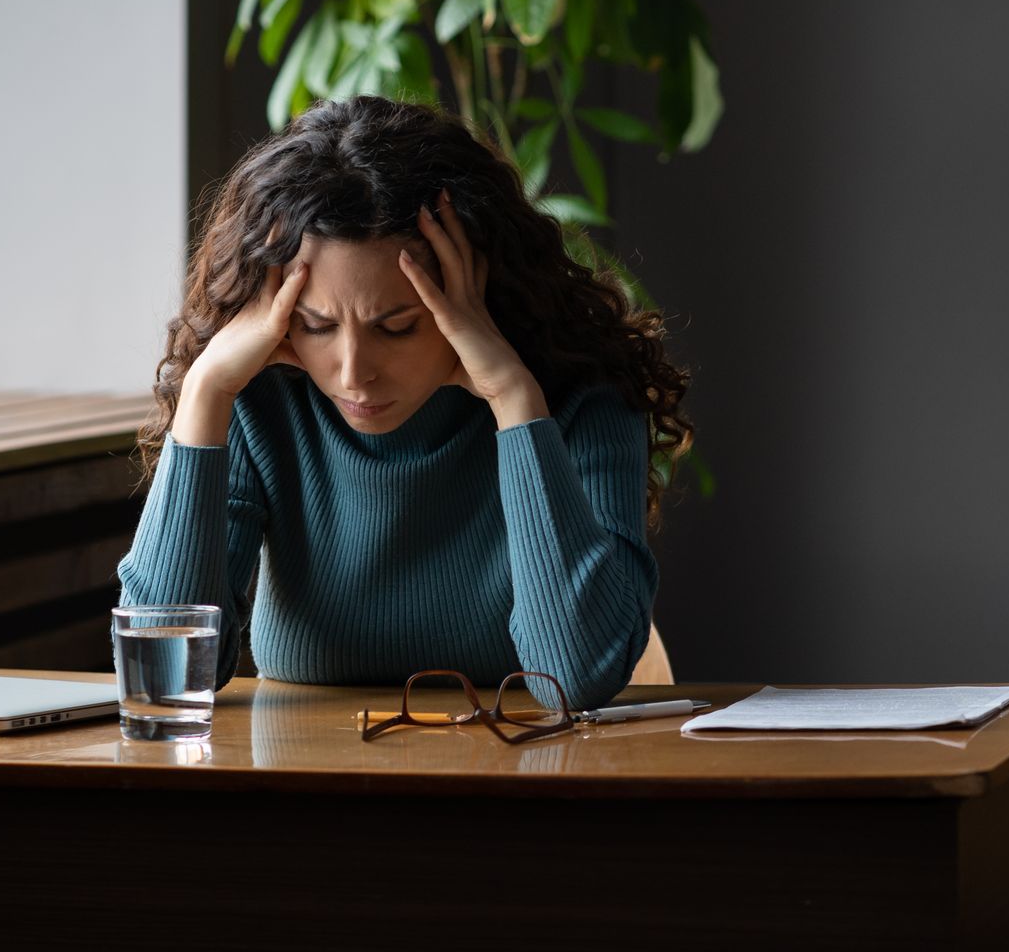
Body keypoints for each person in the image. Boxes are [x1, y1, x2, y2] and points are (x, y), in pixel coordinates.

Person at [115, 94, 694, 711]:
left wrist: (516, 401)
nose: (353, 373)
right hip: (303, 781)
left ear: (476, 297)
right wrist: (205, 394)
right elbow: (164, 682)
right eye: (315, 326)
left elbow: (576, 676)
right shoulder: (263, 399)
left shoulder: (586, 396)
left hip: (521, 780)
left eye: (396, 327)